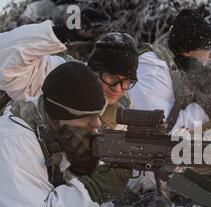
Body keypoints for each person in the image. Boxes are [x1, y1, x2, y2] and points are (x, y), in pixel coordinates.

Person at [0, 62, 132, 207]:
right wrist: (94, 189)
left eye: (98, 115)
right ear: (60, 117)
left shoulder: (59, 129)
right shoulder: (14, 141)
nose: (97, 125)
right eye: (88, 118)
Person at [0, 16, 139, 129]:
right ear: (92, 71)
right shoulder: (60, 78)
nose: (118, 88)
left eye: (127, 81)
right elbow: (5, 63)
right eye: (112, 77)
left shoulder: (123, 107)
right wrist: (61, 33)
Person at [129, 9, 211, 132]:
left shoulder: (180, 65)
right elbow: (156, 123)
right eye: (209, 49)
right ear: (188, 51)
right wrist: (203, 110)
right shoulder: (152, 67)